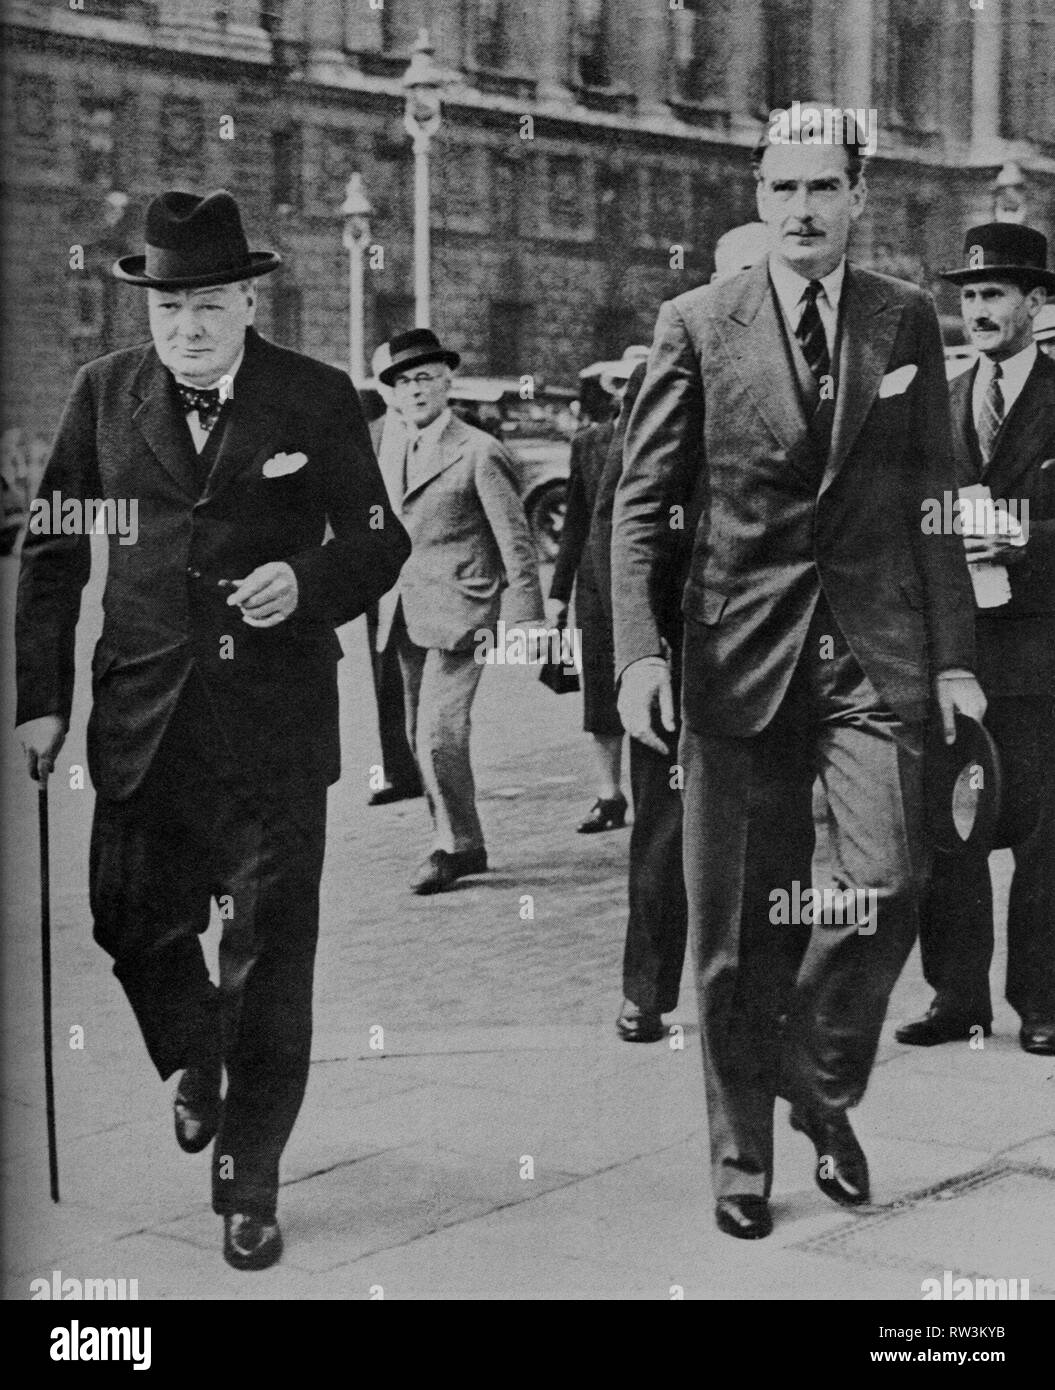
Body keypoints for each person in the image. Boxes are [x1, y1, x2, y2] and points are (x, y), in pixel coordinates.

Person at [14, 189, 410, 1270]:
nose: (188, 327)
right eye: (169, 307)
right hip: (143, 718)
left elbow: (379, 538)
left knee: (268, 958)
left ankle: (249, 1181)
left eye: (209, 305)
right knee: (128, 922)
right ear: (149, 307)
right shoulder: (103, 397)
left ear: (247, 300)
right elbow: (53, 552)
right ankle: (197, 1057)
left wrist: (310, 578)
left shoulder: (315, 398)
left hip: (273, 726)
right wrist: (41, 700)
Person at [611, 109, 984, 1240]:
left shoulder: (901, 316)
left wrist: (955, 659)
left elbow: (934, 501)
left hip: (871, 651)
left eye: (823, 187)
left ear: (857, 194)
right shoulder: (694, 321)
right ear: (757, 193)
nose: (801, 210)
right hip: (734, 655)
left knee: (885, 884)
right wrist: (635, 651)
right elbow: (641, 506)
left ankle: (811, 1076)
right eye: (781, 189)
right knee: (728, 932)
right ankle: (738, 1154)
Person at [591, 224, 771, 1043]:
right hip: (680, 643)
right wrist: (632, 655)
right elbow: (618, 523)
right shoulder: (673, 375)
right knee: (663, 833)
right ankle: (647, 991)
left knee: (771, 832)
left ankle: (757, 998)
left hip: (776, 644)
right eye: (735, 279)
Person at [897, 224, 1055, 1056]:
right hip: (956, 654)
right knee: (949, 830)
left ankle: (1042, 1002)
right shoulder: (944, 400)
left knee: (1043, 836)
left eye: (994, 294)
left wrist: (1023, 539)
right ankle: (955, 998)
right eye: (968, 295)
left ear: (1037, 301)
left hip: (1041, 653)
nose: (977, 309)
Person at [374, 328, 544, 894]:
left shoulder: (479, 450)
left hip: (464, 611)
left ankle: (458, 848)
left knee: (440, 736)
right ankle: (448, 834)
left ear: (448, 381)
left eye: (426, 377)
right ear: (392, 393)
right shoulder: (390, 444)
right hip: (403, 609)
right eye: (403, 381)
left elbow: (515, 543)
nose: (415, 389)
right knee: (415, 731)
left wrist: (525, 622)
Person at [547, 347, 648, 835]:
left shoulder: (672, 439)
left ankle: (666, 791)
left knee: (657, 689)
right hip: (595, 585)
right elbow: (575, 524)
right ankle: (609, 796)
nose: (632, 393)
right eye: (624, 384)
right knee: (601, 697)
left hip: (652, 587)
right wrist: (557, 596)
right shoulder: (589, 443)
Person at [364, 342, 425, 806]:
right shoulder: (372, 433)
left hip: (432, 577)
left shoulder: (448, 429)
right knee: (387, 677)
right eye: (392, 378)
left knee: (430, 684)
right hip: (382, 579)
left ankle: (433, 766)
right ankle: (400, 771)